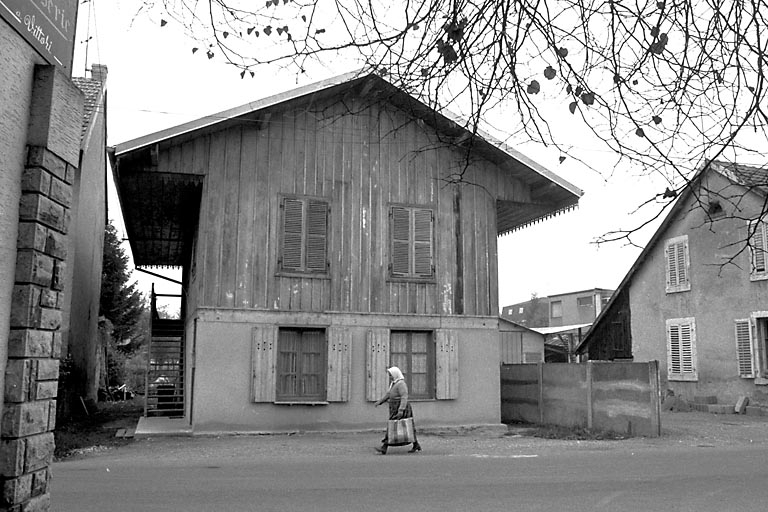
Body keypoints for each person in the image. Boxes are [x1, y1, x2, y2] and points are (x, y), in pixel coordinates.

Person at [374, 366, 421, 454]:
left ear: (395, 374)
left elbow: (404, 397)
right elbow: (388, 395)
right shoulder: (394, 384)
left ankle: (384, 447)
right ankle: (416, 444)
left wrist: (401, 410)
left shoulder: (401, 384)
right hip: (395, 407)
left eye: (391, 375)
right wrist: (379, 402)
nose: (390, 377)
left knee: (396, 426)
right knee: (403, 427)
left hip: (400, 407)